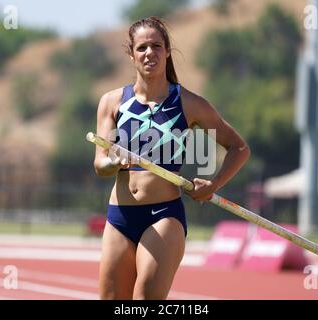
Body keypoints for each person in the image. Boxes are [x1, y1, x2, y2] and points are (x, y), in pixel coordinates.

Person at [93, 16, 250, 300]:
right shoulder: (112, 102)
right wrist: (114, 162)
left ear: (167, 51)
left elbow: (239, 148)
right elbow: (99, 164)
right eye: (141, 47)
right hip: (119, 217)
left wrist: (213, 185)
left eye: (156, 46)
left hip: (163, 216)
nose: (149, 53)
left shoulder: (189, 104)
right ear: (131, 54)